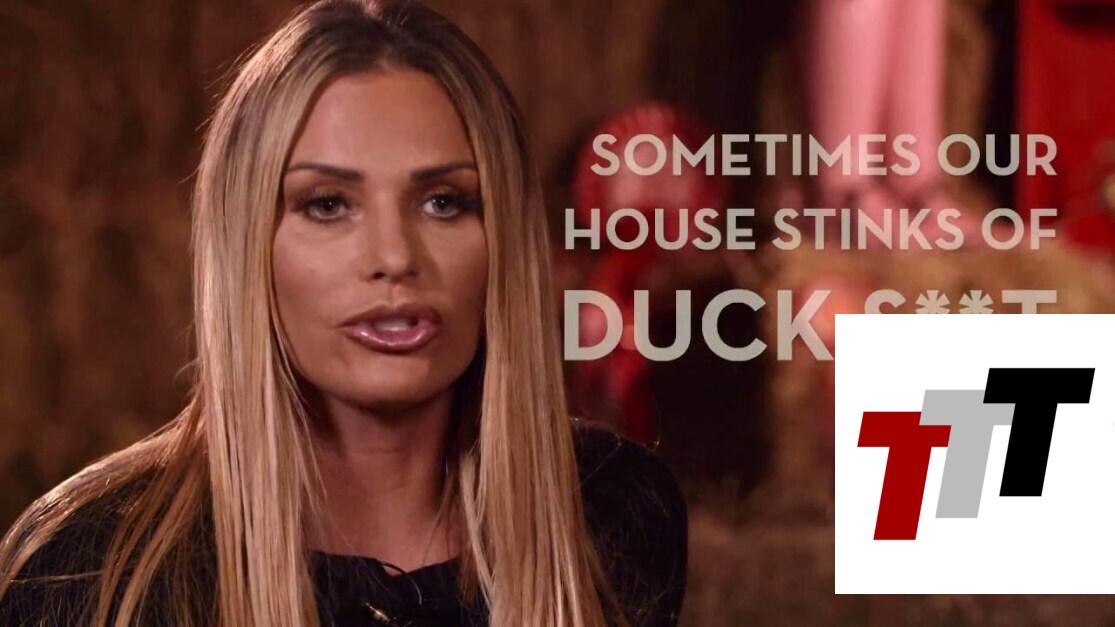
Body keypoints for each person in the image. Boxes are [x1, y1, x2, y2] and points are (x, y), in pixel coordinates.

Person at [0, 1, 687, 625]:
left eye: (444, 202)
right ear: (247, 243)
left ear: (504, 237)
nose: (394, 256)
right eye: (327, 205)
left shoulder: (614, 512)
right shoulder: (91, 571)